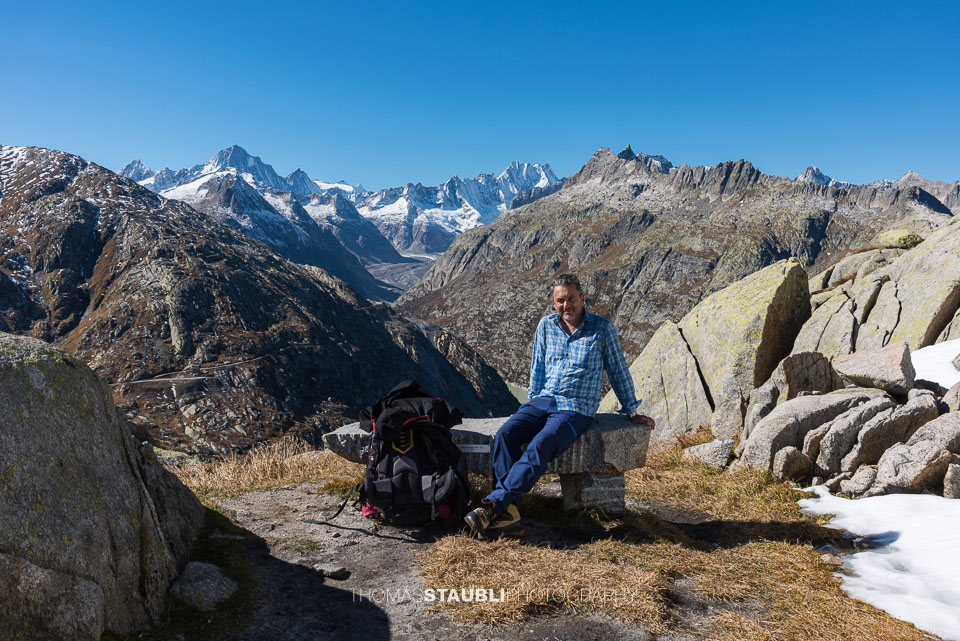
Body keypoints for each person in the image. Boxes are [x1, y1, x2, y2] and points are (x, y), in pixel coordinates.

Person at [464, 274, 655, 537]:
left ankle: (493, 506)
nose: (567, 305)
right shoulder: (546, 326)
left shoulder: (602, 329)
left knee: (540, 445)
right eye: (561, 300)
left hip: (575, 408)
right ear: (554, 303)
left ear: (582, 299)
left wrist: (630, 410)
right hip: (542, 400)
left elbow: (618, 370)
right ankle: (509, 514)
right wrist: (531, 406)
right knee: (506, 435)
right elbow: (537, 368)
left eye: (572, 299)